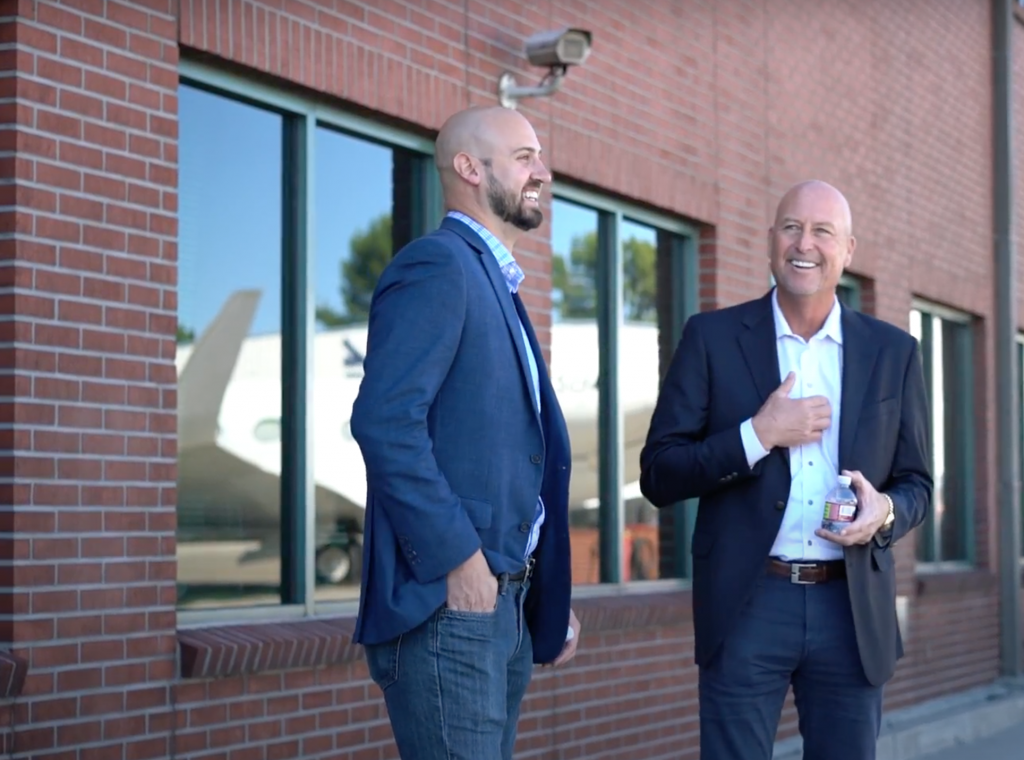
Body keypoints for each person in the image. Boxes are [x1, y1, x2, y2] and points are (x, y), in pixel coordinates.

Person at [639, 180, 932, 760]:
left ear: (848, 250)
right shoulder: (712, 338)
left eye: (823, 231)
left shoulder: (893, 352)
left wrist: (885, 513)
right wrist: (757, 436)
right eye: (792, 227)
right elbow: (659, 472)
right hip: (749, 601)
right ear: (771, 241)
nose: (806, 243)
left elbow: (917, 483)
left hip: (849, 607)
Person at [349, 105, 582, 760]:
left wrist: (540, 588)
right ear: (469, 168)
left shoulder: (493, 280)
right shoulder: (439, 265)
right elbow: (385, 423)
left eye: (539, 156)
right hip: (448, 610)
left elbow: (515, 458)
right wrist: (460, 560)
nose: (542, 171)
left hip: (501, 606)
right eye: (524, 157)